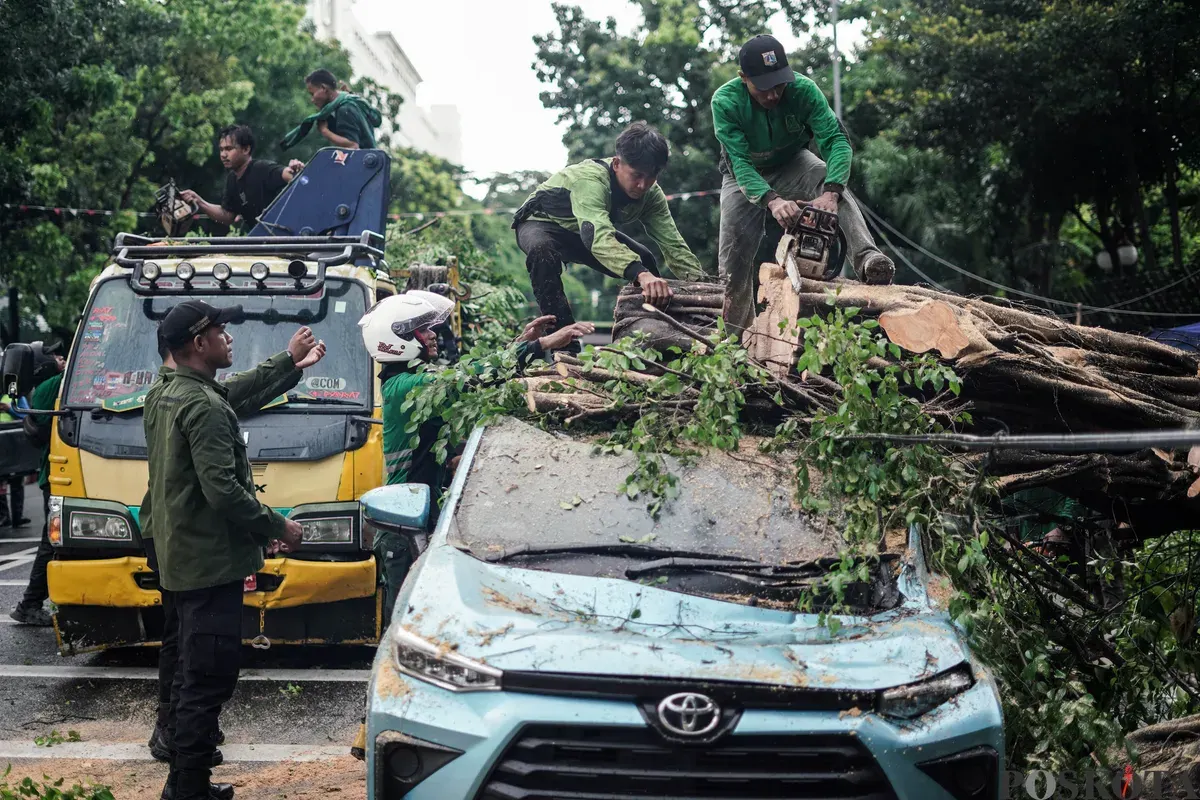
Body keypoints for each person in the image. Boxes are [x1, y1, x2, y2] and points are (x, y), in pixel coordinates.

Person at [347, 293, 593, 761]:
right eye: (422, 331)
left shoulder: (418, 384)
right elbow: (470, 379)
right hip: (403, 534)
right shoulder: (405, 389)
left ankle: (385, 726)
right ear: (397, 344)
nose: (433, 335)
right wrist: (536, 349)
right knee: (401, 632)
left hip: (428, 523)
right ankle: (374, 728)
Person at [141, 325, 325, 768]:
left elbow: (230, 393)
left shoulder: (165, 392)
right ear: (197, 344)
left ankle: (181, 740)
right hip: (199, 548)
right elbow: (222, 489)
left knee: (183, 644)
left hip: (171, 536)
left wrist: (286, 363)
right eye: (219, 332)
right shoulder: (199, 403)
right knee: (201, 662)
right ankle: (185, 754)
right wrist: (274, 526)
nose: (229, 338)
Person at [712, 34, 896, 333]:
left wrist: (831, 194)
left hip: (792, 161)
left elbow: (836, 140)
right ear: (743, 78)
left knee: (823, 173)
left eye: (779, 85)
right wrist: (771, 200)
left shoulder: (805, 90)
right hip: (742, 174)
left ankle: (868, 259)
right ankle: (734, 340)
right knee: (732, 259)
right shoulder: (725, 101)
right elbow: (739, 162)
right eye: (764, 87)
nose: (773, 95)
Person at [511, 121, 703, 348]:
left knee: (644, 260)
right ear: (617, 164)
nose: (642, 185)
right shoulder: (590, 180)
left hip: (582, 231)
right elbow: (598, 237)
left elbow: (673, 243)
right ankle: (565, 349)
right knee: (543, 252)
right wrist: (641, 275)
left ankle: (658, 336)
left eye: (651, 177)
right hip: (541, 224)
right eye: (636, 175)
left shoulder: (652, 195)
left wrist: (700, 285)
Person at [9, 342, 65, 626]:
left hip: (54, 474)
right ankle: (29, 603)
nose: (63, 358)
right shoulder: (54, 385)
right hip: (56, 475)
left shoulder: (45, 388)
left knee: (53, 541)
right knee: (52, 541)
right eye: (56, 356)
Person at [180, 125, 304, 232]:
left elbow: (292, 176)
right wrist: (198, 201)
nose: (223, 155)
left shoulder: (261, 169)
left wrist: (297, 169)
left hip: (286, 239)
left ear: (246, 149)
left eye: (229, 149)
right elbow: (227, 216)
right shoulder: (232, 179)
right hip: (262, 243)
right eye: (221, 149)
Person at [280, 69, 381, 151]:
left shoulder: (344, 109)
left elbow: (353, 146)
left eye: (312, 94)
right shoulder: (351, 100)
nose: (312, 100)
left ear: (323, 88)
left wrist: (325, 131)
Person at [0, 390, 32, 529]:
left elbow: (27, 415)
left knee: (17, 480)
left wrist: (9, 409)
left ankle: (17, 516)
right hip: (2, 445)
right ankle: (3, 516)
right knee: (1, 481)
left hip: (15, 445)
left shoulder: (17, 396)